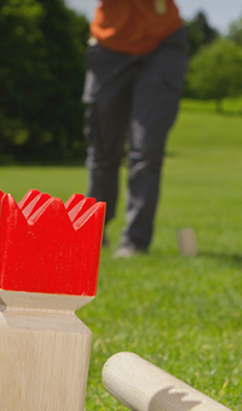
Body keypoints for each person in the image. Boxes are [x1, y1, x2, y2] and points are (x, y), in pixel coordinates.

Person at [83, 0, 188, 258]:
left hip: (163, 42)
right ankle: (92, 236)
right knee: (103, 149)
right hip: (109, 46)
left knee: (146, 148)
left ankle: (135, 241)